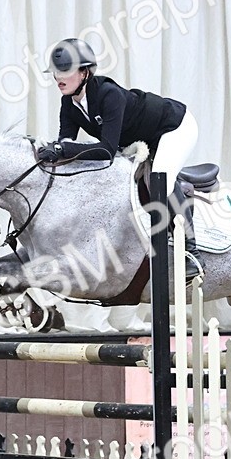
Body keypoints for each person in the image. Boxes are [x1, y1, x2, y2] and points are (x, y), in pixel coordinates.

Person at [36, 37, 202, 282]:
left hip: (174, 127)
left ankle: (191, 251)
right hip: (142, 138)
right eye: (55, 72)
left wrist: (62, 148)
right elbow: (66, 143)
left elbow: (106, 151)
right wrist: (53, 152)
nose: (58, 78)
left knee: (161, 179)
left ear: (84, 73)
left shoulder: (108, 94)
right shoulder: (68, 103)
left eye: (65, 71)